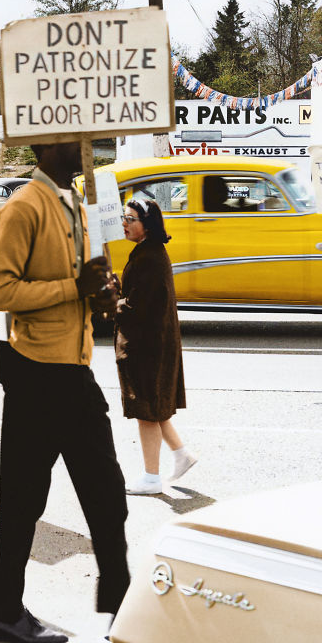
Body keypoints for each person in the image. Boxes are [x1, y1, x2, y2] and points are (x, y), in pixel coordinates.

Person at [0, 141, 129, 643]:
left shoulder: (78, 204)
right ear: (47, 144)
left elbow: (88, 286)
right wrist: (74, 288)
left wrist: (104, 298)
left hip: (74, 372)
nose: (84, 145)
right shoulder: (24, 207)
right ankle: (3, 612)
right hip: (34, 375)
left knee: (108, 499)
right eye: (74, 138)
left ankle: (120, 613)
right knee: (23, 504)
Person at [115, 199, 196, 495]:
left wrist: (113, 301)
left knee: (146, 411)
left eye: (131, 218)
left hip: (147, 347)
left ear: (147, 224)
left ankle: (151, 478)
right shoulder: (148, 253)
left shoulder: (149, 257)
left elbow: (137, 307)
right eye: (124, 217)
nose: (125, 223)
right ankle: (181, 454)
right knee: (155, 408)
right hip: (152, 344)